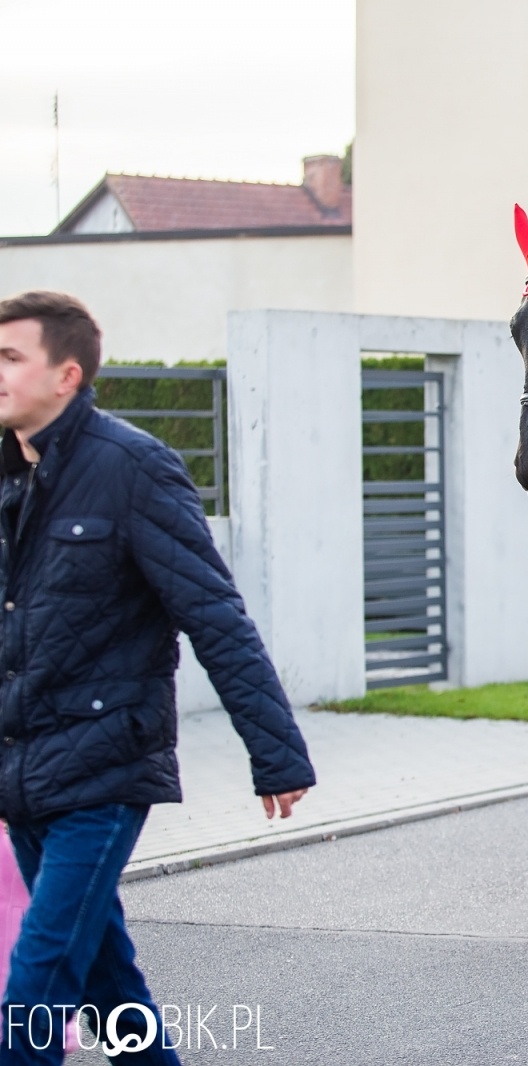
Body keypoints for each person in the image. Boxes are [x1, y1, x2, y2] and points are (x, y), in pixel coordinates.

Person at [0, 291, 316, 1064]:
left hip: (104, 770)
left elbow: (215, 616)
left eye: (10, 357)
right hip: (23, 773)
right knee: (109, 988)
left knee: (32, 1000)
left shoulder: (133, 468)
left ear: (67, 374)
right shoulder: (11, 478)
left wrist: (275, 752)